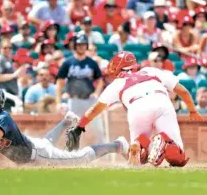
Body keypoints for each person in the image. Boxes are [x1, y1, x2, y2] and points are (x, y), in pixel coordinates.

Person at [0, 86, 129, 167]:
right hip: (34, 146)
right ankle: (66, 121)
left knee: (81, 158)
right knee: (46, 141)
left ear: (1, 101)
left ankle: (117, 145)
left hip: (37, 156)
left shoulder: (3, 117)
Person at [65, 51, 204, 167]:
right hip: (162, 103)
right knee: (177, 157)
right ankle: (164, 140)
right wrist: (193, 110)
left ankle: (141, 143)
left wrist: (79, 128)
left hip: (137, 108)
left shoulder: (117, 83)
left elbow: (94, 110)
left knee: (140, 159)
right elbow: (183, 91)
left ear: (117, 68)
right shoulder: (151, 70)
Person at [56, 33, 105, 143]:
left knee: (98, 128)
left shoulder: (92, 63)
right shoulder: (68, 63)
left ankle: (104, 153)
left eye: (83, 44)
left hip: (89, 101)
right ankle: (71, 153)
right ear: (75, 46)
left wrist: (96, 93)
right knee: (72, 128)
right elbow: (59, 82)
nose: (81, 47)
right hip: (74, 100)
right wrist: (58, 102)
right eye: (79, 44)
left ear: (86, 46)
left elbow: (100, 81)